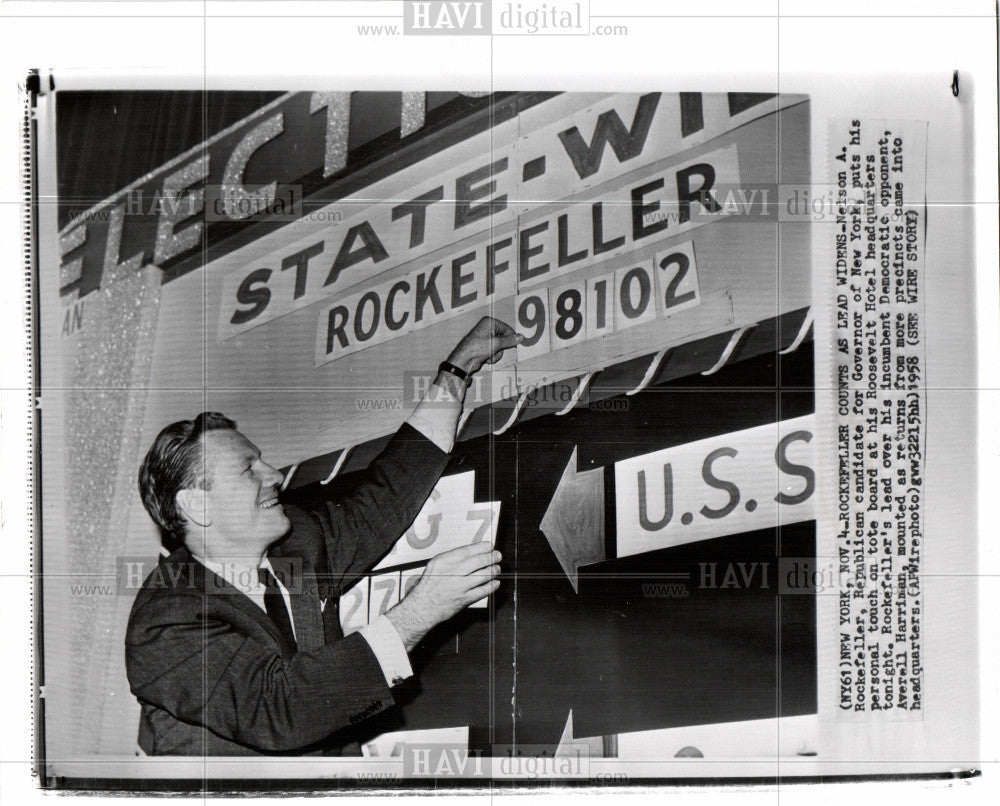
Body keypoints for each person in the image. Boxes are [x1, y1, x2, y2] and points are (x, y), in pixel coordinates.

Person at [125, 317, 520, 756]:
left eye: (263, 461)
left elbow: (385, 497)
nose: (273, 475)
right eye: (248, 469)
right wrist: (419, 613)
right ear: (196, 505)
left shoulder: (297, 547)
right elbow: (279, 709)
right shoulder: (165, 619)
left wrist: (457, 370)